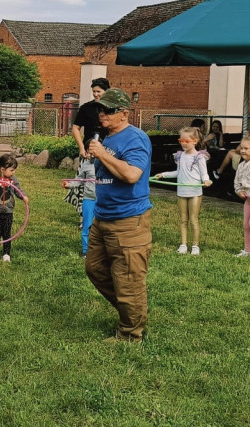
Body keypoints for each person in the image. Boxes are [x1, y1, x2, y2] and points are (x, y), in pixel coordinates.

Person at [85, 88, 153, 343]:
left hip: (128, 220)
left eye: (109, 110)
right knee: (95, 269)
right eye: (100, 109)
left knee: (128, 280)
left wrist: (102, 154)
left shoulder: (136, 138)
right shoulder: (108, 137)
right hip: (103, 217)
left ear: (125, 114)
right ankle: (133, 311)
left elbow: (132, 175)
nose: (102, 114)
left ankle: (130, 333)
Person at [156, 126, 212, 255]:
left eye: (186, 141)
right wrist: (163, 174)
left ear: (195, 141)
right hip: (182, 191)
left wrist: (206, 180)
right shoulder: (180, 156)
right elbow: (178, 172)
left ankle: (195, 246)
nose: (183, 144)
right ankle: (183, 244)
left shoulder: (199, 157)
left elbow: (204, 173)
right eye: (181, 141)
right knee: (183, 220)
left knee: (194, 220)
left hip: (194, 192)